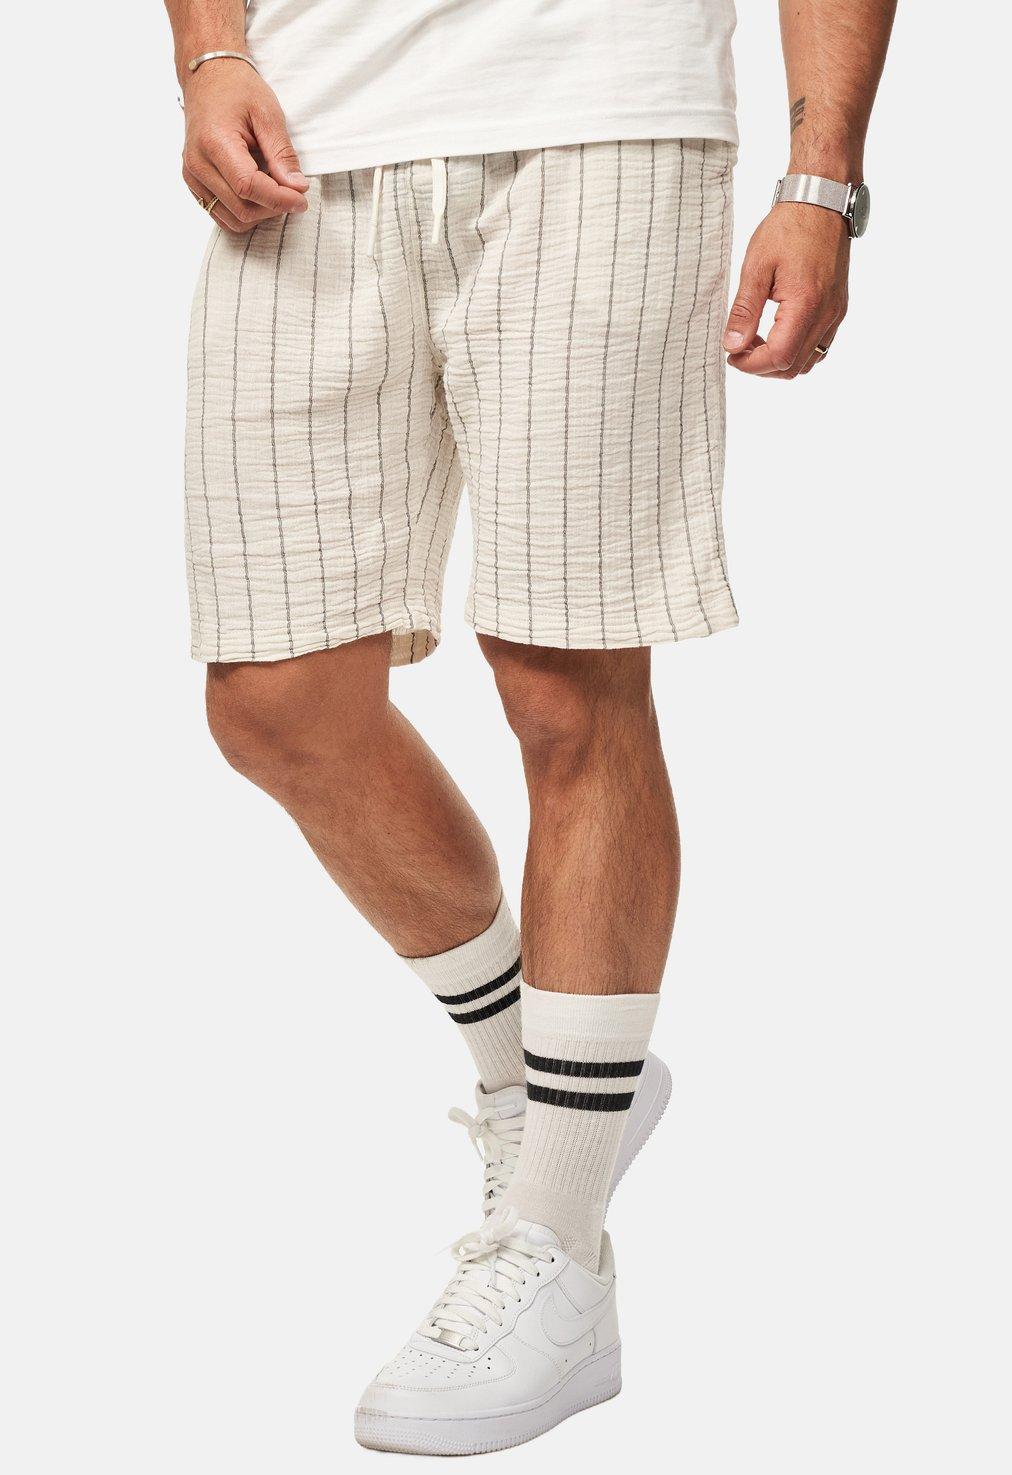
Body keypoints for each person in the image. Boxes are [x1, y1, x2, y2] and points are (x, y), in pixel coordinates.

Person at [164, 0, 896, 1454]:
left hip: (603, 115)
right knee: (273, 699)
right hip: (312, 131)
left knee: (565, 677)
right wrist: (208, 53)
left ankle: (559, 1243)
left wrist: (821, 183)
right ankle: (554, 1079)